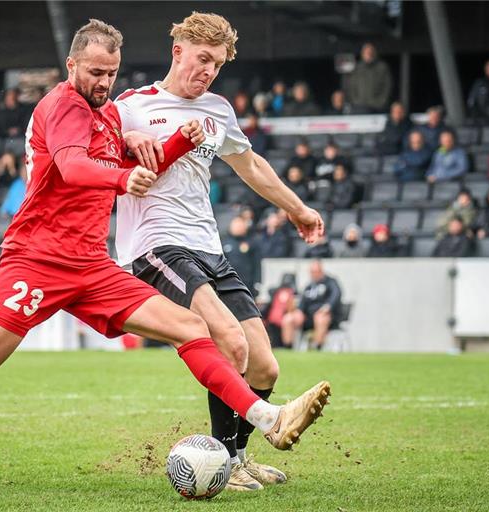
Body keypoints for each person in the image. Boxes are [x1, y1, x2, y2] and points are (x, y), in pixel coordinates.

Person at [0, 20, 330, 478]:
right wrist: (125, 174)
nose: (104, 82)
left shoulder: (110, 115)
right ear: (71, 65)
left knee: (189, 326)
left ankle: (267, 419)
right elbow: (72, 168)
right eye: (95, 72)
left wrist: (177, 144)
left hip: (91, 265)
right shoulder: (61, 106)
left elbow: (144, 161)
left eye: (111, 73)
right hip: (37, 261)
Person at [113, 12, 328, 491]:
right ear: (178, 51)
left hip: (209, 248)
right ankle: (223, 466)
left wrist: (298, 208)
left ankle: (235, 458)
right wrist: (128, 138)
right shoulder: (131, 106)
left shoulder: (218, 110)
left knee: (266, 364)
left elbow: (250, 164)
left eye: (217, 64)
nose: (208, 70)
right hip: (156, 246)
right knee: (231, 342)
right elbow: (93, 151)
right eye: (202, 59)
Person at [280, 260, 342, 349]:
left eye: (315, 271)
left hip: (325, 316)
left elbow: (336, 294)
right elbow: (302, 303)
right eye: (311, 272)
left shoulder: (331, 282)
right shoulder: (309, 286)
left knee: (320, 317)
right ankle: (288, 347)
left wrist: (327, 307)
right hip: (308, 318)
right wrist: (298, 312)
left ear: (321, 271)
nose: (313, 274)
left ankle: (317, 347)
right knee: (288, 318)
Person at [343, 42, 392, 113]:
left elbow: (387, 86)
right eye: (367, 52)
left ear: (375, 53)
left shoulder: (382, 67)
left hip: (378, 106)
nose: (369, 54)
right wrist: (355, 101)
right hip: (359, 106)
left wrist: (381, 101)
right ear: (362, 54)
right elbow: (350, 86)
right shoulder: (356, 68)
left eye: (371, 52)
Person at [221, 215, 261, 297]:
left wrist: (257, 283)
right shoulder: (223, 242)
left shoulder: (251, 242)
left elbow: (257, 264)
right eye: (235, 225)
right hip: (228, 283)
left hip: (247, 284)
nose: (237, 227)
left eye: (240, 225)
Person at [467, 60, 489, 125]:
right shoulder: (479, 83)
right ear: (485, 69)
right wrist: (474, 114)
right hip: (480, 118)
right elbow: (471, 100)